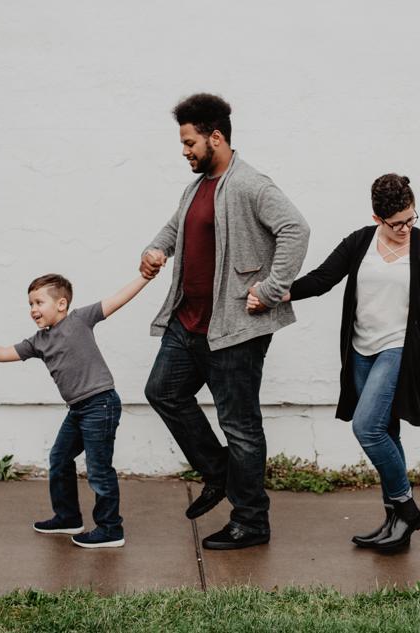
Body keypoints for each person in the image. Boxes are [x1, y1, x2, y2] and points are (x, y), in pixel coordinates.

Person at [248, 173, 420, 551]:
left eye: (412, 219)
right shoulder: (361, 242)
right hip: (361, 351)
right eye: (397, 224)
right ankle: (396, 524)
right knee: (386, 432)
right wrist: (276, 294)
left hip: (401, 350)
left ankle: (407, 509)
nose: (406, 228)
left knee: (367, 428)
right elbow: (323, 278)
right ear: (378, 219)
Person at [141, 93, 310, 550]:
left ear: (216, 137)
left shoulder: (251, 184)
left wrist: (271, 289)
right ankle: (219, 474)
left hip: (234, 329)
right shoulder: (196, 187)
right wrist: (156, 250)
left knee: (240, 425)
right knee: (162, 392)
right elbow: (176, 228)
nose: (184, 150)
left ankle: (251, 521)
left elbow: (297, 229)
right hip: (188, 322)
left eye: (190, 141)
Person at [0, 273, 150, 548]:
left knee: (99, 469)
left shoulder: (80, 319)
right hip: (78, 409)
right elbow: (4, 352)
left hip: (100, 404)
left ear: (61, 304)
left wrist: (145, 277)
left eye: (39, 303)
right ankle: (68, 517)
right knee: (60, 458)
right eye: (30, 304)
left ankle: (111, 529)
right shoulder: (39, 341)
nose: (33, 310)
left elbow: (117, 300)